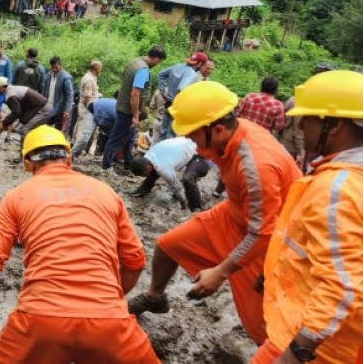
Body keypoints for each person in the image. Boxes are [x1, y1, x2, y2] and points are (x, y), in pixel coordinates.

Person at [0, 126, 159, 364]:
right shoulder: (106, 192)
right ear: (69, 157)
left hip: (39, 319)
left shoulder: (16, 197)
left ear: (28, 163)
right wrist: (105, 302)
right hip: (110, 322)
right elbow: (135, 261)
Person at [128, 81, 302, 345]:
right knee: (167, 245)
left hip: (268, 240)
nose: (191, 143)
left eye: (194, 135)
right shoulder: (232, 134)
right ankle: (155, 298)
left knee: (262, 328)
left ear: (217, 129)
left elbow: (263, 232)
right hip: (235, 213)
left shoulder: (256, 166)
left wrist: (221, 272)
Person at [251, 70, 363, 364]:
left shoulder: (338, 188)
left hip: (321, 344)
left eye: (308, 118)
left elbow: (344, 285)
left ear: (334, 124)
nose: (299, 126)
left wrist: (298, 351)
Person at [102, 46, 167, 173]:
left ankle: (128, 164)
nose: (158, 64)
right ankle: (106, 166)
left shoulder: (135, 61)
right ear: (156, 58)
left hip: (123, 105)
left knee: (130, 138)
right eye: (159, 62)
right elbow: (135, 94)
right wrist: (136, 115)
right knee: (117, 138)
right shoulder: (143, 70)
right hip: (128, 111)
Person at [129, 137, 209, 211]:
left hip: (199, 153)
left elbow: (176, 186)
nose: (143, 177)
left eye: (143, 175)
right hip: (186, 143)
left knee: (187, 178)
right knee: (152, 172)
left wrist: (183, 206)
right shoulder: (147, 157)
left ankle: (196, 208)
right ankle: (144, 189)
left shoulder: (163, 169)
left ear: (148, 167)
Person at [156, 51, 208, 140]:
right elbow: (182, 88)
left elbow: (160, 74)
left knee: (163, 130)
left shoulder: (177, 66)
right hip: (177, 106)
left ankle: (159, 149)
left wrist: (163, 91)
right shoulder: (192, 74)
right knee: (172, 134)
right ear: (199, 64)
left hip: (168, 102)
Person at [44, 57, 74, 132]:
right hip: (48, 106)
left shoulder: (66, 77)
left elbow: (69, 95)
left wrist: (67, 110)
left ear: (61, 65)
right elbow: (44, 89)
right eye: (52, 67)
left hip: (60, 108)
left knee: (58, 130)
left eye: (56, 67)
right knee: (47, 127)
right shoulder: (48, 75)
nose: (54, 69)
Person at [277, 97, 304, 166]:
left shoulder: (291, 99)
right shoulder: (300, 106)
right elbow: (298, 131)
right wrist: (299, 152)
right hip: (291, 145)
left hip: (282, 140)